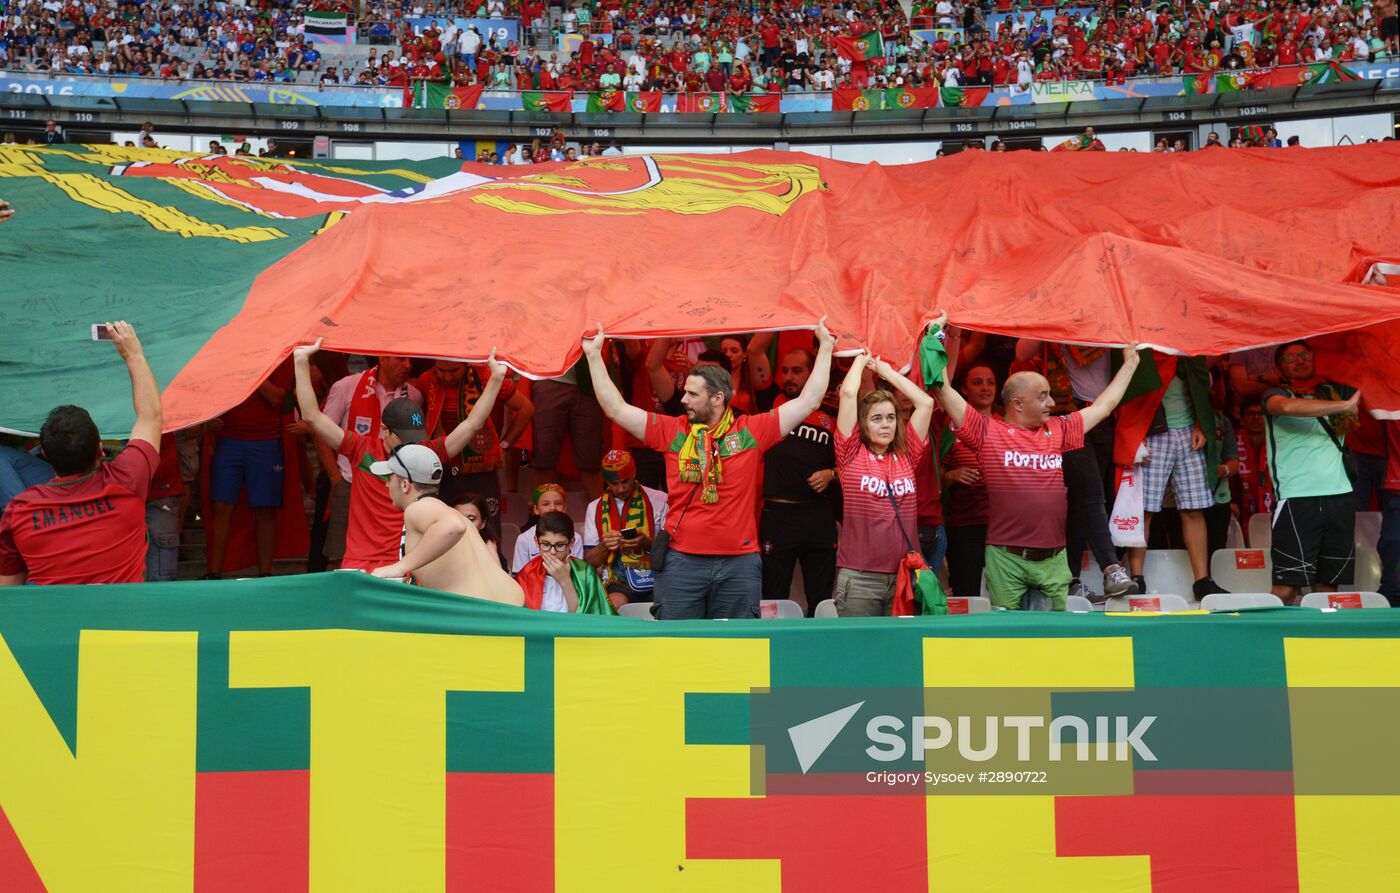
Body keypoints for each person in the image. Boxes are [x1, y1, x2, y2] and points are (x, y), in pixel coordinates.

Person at [581, 318, 836, 619]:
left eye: (692, 394)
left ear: (717, 398)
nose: (684, 399)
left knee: (737, 649)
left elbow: (809, 401)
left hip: (739, 563)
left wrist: (827, 348)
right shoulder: (671, 430)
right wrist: (594, 356)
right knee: (677, 648)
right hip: (681, 563)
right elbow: (616, 409)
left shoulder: (751, 431)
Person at [929, 345, 1141, 610]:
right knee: (1007, 638)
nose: (1052, 403)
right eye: (1043, 397)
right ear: (1017, 403)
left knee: (1054, 640)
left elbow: (1104, 407)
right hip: (1007, 561)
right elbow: (942, 388)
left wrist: (1130, 363)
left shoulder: (1059, 429)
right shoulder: (988, 432)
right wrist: (936, 338)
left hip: (1053, 561)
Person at [293, 339, 506, 572]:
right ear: (384, 431)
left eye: (413, 435)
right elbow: (312, 417)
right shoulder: (360, 448)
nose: (410, 442)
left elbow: (473, 424)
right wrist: (301, 361)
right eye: (402, 435)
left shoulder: (425, 451)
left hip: (407, 567)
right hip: (359, 564)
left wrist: (495, 379)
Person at [1, 322, 162, 585]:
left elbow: (8, 595)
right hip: (122, 625)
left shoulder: (19, 511)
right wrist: (133, 354)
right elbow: (151, 417)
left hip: (55, 625)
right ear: (101, 449)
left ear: (45, 456)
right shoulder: (128, 479)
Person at [1015, 339, 1138, 600]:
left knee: (1082, 502)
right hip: (1067, 413)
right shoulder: (1056, 316)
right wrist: (1050, 318)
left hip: (1102, 414)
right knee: (1091, 494)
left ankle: (1069, 580)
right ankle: (1112, 569)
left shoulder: (1106, 320)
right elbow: (1022, 352)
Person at [831, 349, 935, 616]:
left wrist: (887, 373)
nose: (886, 424)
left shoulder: (907, 454)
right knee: (858, 650)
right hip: (860, 578)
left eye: (891, 418)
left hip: (904, 574)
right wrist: (862, 359)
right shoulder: (850, 453)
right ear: (862, 426)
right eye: (876, 419)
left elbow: (925, 404)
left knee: (900, 651)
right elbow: (848, 394)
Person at [1262, 340, 1362, 604]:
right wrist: (1343, 406)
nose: (1299, 360)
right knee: (1286, 588)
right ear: (1279, 367)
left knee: (1327, 588)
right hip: (1298, 498)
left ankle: (1321, 641)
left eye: (1304, 355)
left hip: (1340, 496)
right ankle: (1270, 641)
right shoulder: (1274, 394)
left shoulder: (1333, 391)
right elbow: (1284, 407)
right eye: (1290, 358)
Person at [366, 444, 524, 605]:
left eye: (389, 478)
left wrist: (399, 567)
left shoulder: (418, 508)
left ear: (405, 484)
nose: (386, 485)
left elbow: (453, 526)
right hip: (508, 608)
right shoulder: (445, 511)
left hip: (481, 615)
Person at [1124, 354, 1228, 599]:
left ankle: (1202, 581)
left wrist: (1202, 425)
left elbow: (1202, 396)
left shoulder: (1191, 355)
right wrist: (1136, 432)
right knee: (1145, 510)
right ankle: (1136, 578)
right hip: (1154, 434)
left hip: (1188, 432)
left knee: (1193, 509)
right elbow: (1130, 398)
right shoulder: (1142, 353)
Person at [754, 346, 839, 613]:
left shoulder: (834, 411)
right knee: (773, 598)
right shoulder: (771, 400)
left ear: (813, 373)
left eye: (797, 371)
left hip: (819, 514)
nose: (789, 376)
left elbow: (853, 459)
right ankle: (774, 651)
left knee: (821, 598)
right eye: (785, 371)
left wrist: (832, 474)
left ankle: (821, 650)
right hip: (778, 515)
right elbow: (756, 350)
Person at [320, 355, 422, 567]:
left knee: (397, 554)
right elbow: (321, 431)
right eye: (400, 359)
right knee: (340, 554)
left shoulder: (414, 396)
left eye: (410, 360)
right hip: (352, 482)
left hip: (397, 485)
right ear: (382, 358)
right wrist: (335, 477)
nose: (408, 366)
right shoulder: (347, 386)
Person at [203, 361, 294, 579]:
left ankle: (265, 573)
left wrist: (251, 369)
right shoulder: (231, 355)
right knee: (221, 506)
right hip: (230, 439)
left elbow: (279, 399)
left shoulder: (279, 357)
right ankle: (214, 572)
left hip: (266, 441)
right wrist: (211, 419)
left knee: (265, 509)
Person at [416, 358, 533, 524]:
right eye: (441, 371)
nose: (447, 377)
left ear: (466, 364)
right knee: (443, 526)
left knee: (488, 527)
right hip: (443, 466)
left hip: (480, 467)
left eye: (454, 370)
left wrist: (504, 443)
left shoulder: (486, 377)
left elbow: (526, 409)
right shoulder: (428, 380)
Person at [582, 450, 668, 610]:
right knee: (615, 605)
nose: (621, 489)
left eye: (625, 481)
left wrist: (647, 543)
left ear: (634, 473)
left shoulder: (660, 499)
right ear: (605, 481)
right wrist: (605, 546)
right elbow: (589, 561)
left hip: (657, 576)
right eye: (614, 484)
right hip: (617, 579)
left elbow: (672, 551)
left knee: (668, 606)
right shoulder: (594, 507)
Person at [941, 363, 997, 597]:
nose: (985, 388)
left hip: (1002, 528)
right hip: (963, 527)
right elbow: (932, 481)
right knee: (968, 594)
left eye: (990, 382)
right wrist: (952, 476)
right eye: (977, 382)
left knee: (1004, 597)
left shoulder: (1007, 425)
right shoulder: (950, 429)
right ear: (963, 390)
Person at [515, 510, 611, 613]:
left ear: (571, 543)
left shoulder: (585, 572)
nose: (552, 552)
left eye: (560, 545)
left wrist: (565, 581)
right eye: (546, 544)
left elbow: (586, 619)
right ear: (536, 542)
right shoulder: (526, 574)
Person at [511, 483, 580, 568]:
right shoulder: (524, 539)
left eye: (558, 503)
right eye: (546, 504)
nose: (552, 508)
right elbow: (520, 576)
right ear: (536, 509)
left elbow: (578, 573)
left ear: (565, 508)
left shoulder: (576, 537)